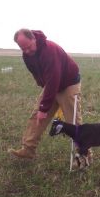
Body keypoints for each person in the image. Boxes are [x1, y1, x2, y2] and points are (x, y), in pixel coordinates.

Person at [9, 29, 84, 160]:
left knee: (73, 121)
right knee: (36, 116)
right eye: (23, 49)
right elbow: (39, 75)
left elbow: (54, 79)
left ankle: (84, 154)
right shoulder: (27, 55)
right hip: (51, 84)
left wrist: (44, 108)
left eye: (29, 47)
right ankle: (28, 149)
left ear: (34, 39)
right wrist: (43, 106)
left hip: (68, 84)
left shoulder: (50, 50)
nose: (27, 51)